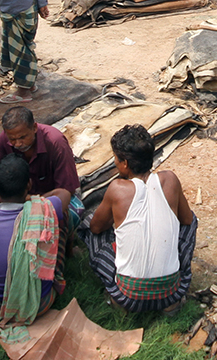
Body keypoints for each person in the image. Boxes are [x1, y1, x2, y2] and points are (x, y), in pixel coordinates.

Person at [81, 124, 196, 315]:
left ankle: (117, 301)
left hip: (127, 297)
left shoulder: (117, 188)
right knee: (191, 222)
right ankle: (171, 304)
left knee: (89, 229)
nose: (115, 163)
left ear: (124, 163)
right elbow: (187, 220)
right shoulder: (170, 180)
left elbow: (96, 228)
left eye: (116, 159)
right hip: (171, 293)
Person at [0, 155, 70, 325]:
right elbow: (63, 193)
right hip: (39, 303)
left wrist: (2, 196)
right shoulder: (44, 210)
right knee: (59, 217)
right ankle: (59, 270)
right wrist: (33, 199)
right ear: (28, 184)